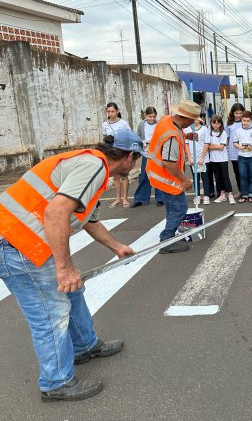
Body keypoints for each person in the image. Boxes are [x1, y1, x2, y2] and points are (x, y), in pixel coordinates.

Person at [0, 129, 146, 402]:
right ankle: (56, 382)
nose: (134, 165)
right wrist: (64, 267)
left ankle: (84, 346)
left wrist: (117, 247)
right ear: (128, 157)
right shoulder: (94, 166)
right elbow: (55, 213)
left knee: (72, 292)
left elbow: (87, 218)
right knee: (50, 313)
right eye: (136, 160)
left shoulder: (92, 168)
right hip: (17, 244)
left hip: (24, 241)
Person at [146, 100, 200, 253]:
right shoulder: (172, 135)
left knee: (172, 206)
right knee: (179, 208)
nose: (192, 123)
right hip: (165, 176)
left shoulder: (167, 120)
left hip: (156, 173)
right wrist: (184, 180)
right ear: (185, 118)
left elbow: (176, 131)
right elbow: (169, 163)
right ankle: (167, 239)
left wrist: (187, 136)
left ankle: (170, 234)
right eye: (192, 120)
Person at [132, 106, 165, 207]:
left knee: (158, 175)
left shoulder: (159, 124)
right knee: (144, 176)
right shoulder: (142, 124)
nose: (152, 119)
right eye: (150, 117)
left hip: (157, 153)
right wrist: (142, 144)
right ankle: (140, 198)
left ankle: (160, 198)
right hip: (146, 153)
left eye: (154, 117)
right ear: (146, 116)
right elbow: (138, 137)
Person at [101, 102, 131, 207]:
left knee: (124, 175)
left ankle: (125, 199)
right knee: (115, 176)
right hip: (111, 152)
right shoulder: (105, 124)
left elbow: (129, 136)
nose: (111, 113)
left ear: (117, 111)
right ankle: (118, 199)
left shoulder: (123, 123)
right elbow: (105, 138)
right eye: (108, 111)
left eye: (113, 111)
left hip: (122, 151)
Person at [232, 111, 252, 203]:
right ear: (241, 120)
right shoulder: (238, 131)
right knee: (243, 175)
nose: (246, 123)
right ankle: (244, 194)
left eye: (248, 121)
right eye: (244, 120)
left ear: (251, 120)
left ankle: (251, 193)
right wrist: (239, 147)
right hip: (241, 156)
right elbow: (235, 143)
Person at [206, 116, 235, 205]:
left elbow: (221, 147)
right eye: (214, 123)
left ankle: (230, 194)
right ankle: (222, 194)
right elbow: (207, 146)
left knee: (225, 177)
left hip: (223, 159)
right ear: (211, 123)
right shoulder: (209, 132)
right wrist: (214, 146)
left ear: (221, 124)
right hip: (213, 159)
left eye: (218, 123)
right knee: (217, 177)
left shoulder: (223, 133)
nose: (216, 125)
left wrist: (212, 146)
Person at [184, 117, 210, 205]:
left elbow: (206, 143)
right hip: (193, 158)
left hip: (203, 157)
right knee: (195, 177)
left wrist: (202, 157)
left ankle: (206, 195)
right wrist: (190, 157)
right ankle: (197, 195)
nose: (195, 121)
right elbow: (186, 144)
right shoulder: (187, 129)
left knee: (205, 177)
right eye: (193, 119)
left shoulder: (205, 129)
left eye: (196, 119)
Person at [226, 103, 245, 199]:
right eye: (236, 113)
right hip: (234, 152)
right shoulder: (229, 124)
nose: (238, 115)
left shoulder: (245, 122)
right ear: (233, 113)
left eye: (240, 113)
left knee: (245, 172)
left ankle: (248, 191)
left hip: (245, 151)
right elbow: (227, 137)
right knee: (237, 173)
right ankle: (241, 191)